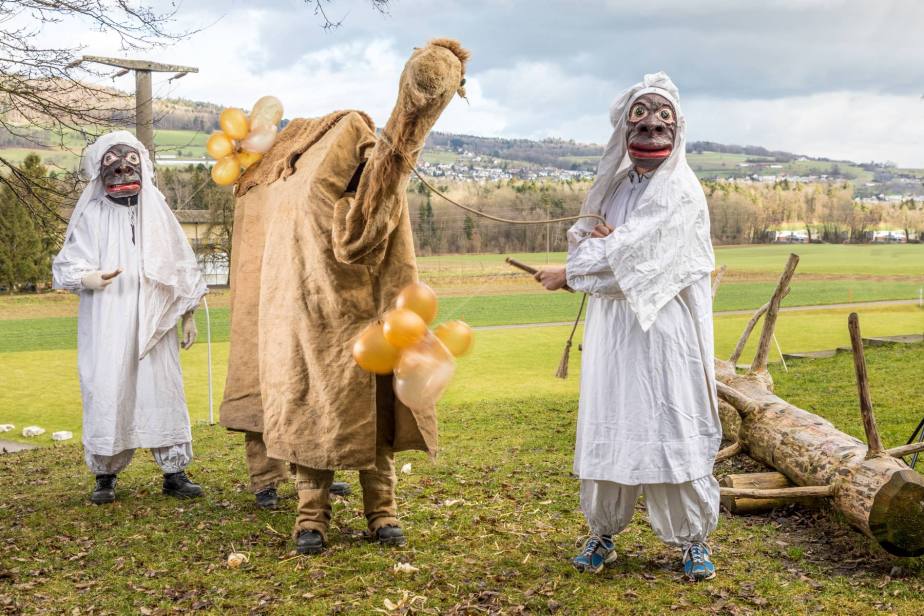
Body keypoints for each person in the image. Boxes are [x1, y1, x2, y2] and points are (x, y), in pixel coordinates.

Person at [231, 39, 469, 555]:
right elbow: (326, 240)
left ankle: (383, 511)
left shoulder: (375, 187)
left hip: (371, 319)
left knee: (378, 417)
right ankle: (310, 517)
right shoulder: (308, 189)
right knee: (310, 414)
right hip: (310, 322)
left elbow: (366, 228)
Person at [534, 72, 722, 581]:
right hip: (614, 334)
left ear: (677, 128)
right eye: (640, 121)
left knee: (670, 424)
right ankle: (602, 533)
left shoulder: (681, 191)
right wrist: (601, 250)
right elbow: (594, 241)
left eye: (663, 121)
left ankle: (693, 540)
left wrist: (575, 270)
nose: (651, 130)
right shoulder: (617, 187)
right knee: (610, 422)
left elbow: (637, 258)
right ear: (624, 129)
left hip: (665, 337)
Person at [53, 131, 208, 504]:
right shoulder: (93, 214)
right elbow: (69, 262)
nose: (123, 169)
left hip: (155, 319)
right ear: (99, 170)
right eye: (113, 162)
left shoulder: (158, 213)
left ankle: (174, 472)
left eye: (130, 161)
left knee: (161, 388)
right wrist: (87, 278)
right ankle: (105, 475)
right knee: (108, 388)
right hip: (108, 320)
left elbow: (180, 264)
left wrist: (187, 314)